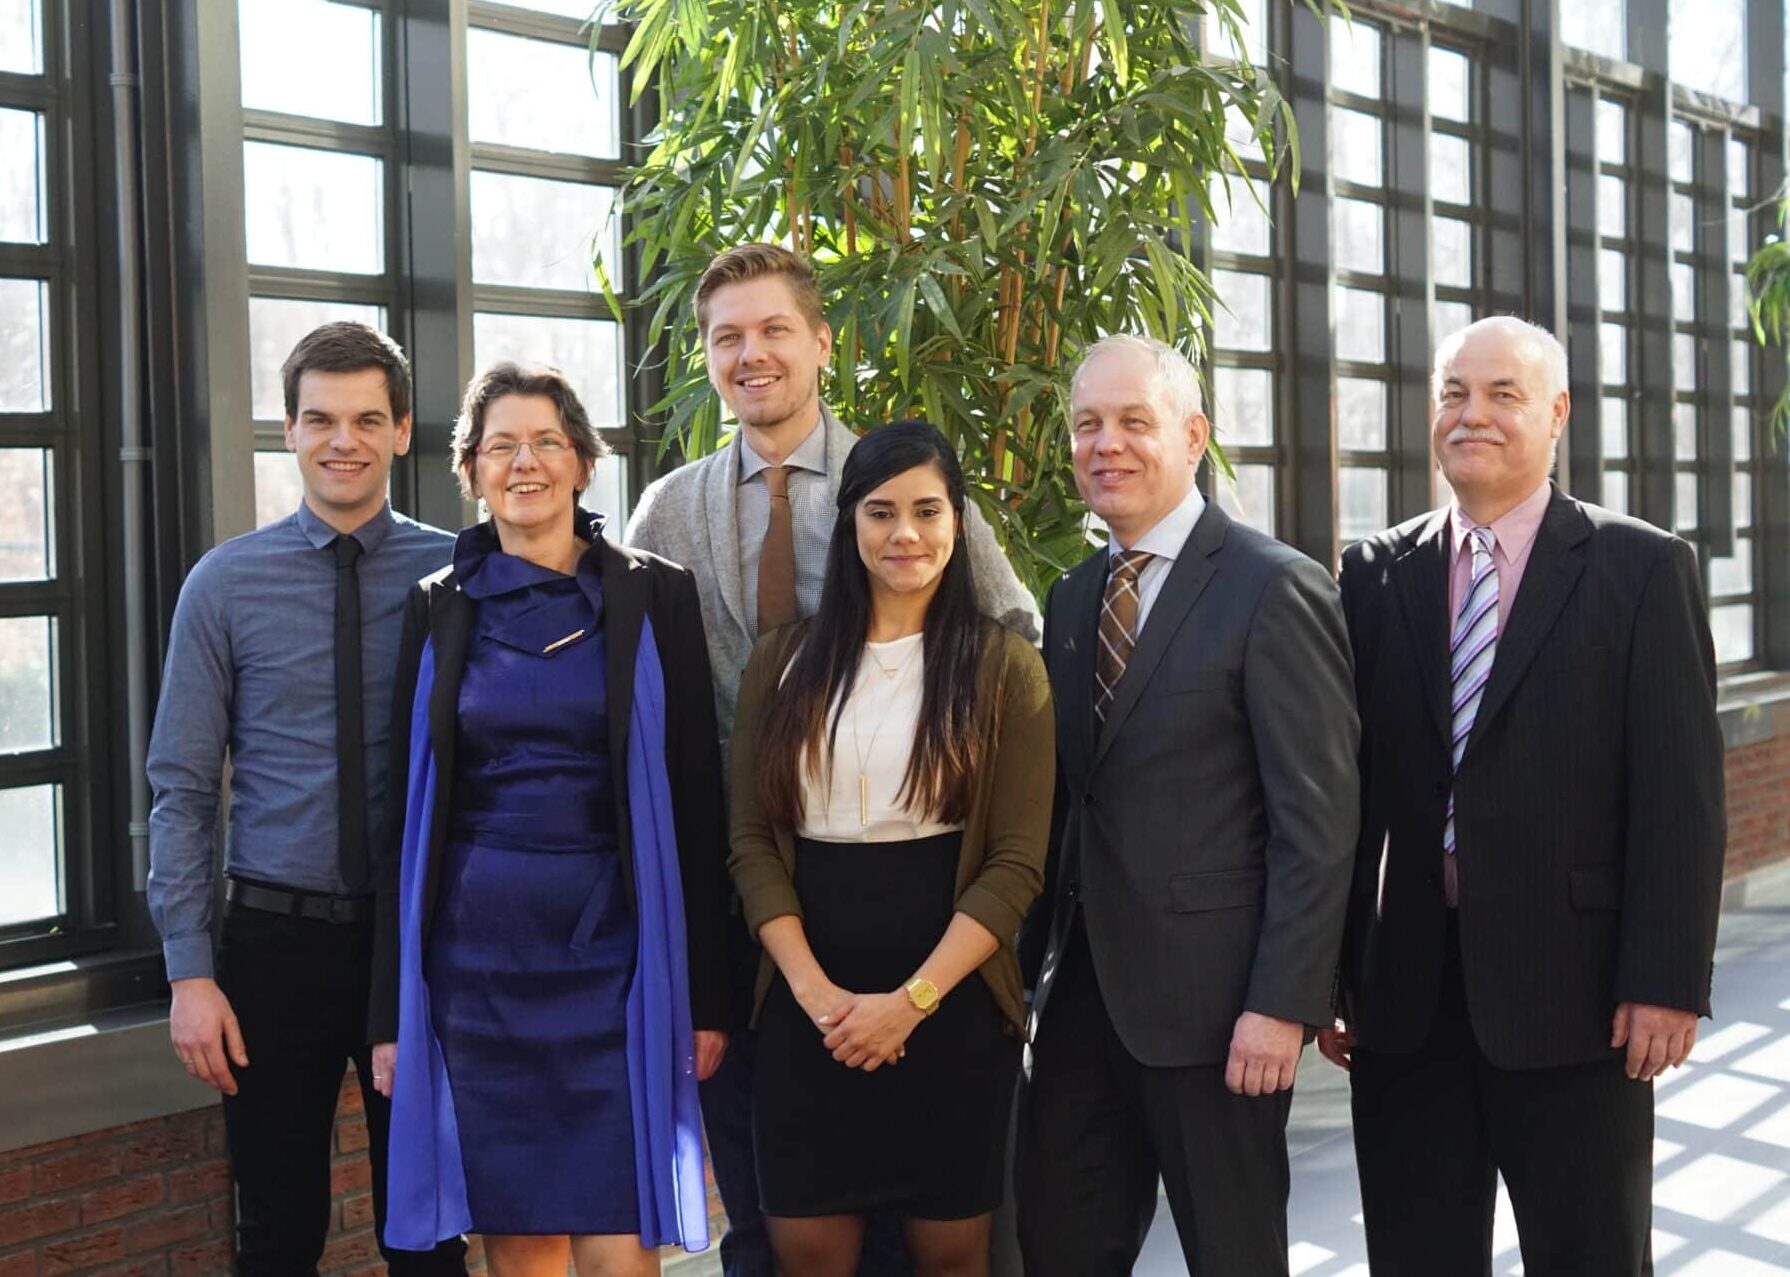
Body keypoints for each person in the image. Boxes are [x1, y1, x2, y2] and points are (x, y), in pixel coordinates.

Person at [625, 242, 1039, 1277]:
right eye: (727, 337)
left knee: (918, 1230)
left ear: (820, 342)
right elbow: (634, 693)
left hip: (916, 893)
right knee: (767, 1198)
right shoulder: (668, 508)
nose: (751, 354)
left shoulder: (896, 481)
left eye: (774, 330)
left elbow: (1009, 628)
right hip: (743, 888)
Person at [1319, 316, 1724, 1275]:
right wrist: (1332, 976)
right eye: (1454, 393)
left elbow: (1681, 797)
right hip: (1407, 1003)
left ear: (1557, 413)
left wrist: (1666, 979)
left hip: (1578, 1001)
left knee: (1591, 1257)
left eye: (1504, 394)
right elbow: (1345, 792)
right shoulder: (1373, 574)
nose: (1474, 415)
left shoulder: (1641, 568)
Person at [368, 363, 733, 1275]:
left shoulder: (656, 596)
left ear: (581, 461)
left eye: (545, 442)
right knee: (521, 1241)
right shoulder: (437, 606)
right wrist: (389, 1010)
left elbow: (697, 799)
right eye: (500, 446)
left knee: (619, 1240)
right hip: (477, 965)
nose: (523, 462)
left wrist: (709, 995)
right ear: (472, 470)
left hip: (618, 958)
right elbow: (403, 819)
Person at [1016, 334, 1360, 1275]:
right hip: (1081, 1007)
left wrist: (1282, 1003)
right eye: (1087, 424)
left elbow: (1318, 822)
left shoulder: (1274, 586)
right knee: (1058, 1250)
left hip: (1220, 1016)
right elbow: (1070, 806)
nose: (1106, 444)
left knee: (1234, 1256)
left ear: (1194, 435)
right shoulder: (1072, 597)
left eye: (1135, 421)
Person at [146, 322, 468, 1274]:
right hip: (272, 949)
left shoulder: (458, 577)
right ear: (287, 430)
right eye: (320, 419)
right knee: (277, 1233)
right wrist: (190, 973)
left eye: (367, 419)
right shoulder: (224, 584)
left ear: (402, 430)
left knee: (428, 1231)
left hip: (418, 945)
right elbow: (181, 787)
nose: (343, 440)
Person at [727, 420, 1053, 1277]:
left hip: (952, 1005)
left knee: (951, 1256)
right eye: (880, 512)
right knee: (805, 1251)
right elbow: (751, 840)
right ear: (849, 525)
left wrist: (911, 1001)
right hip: (808, 1005)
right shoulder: (782, 663)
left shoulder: (1004, 668)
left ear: (957, 523)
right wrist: (818, 998)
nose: (905, 533)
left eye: (926, 510)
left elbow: (1016, 862)